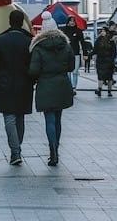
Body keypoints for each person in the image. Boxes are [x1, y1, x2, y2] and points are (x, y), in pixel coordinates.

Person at [0, 9, 34, 165]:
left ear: (10, 21)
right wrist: (32, 80)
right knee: (20, 116)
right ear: (22, 22)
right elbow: (33, 64)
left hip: (5, 83)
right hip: (24, 83)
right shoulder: (29, 41)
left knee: (9, 117)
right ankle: (17, 147)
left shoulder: (1, 40)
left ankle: (15, 151)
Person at [28, 13, 74, 166]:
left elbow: (33, 70)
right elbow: (71, 66)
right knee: (58, 118)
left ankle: (52, 148)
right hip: (62, 84)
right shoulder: (65, 45)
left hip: (45, 84)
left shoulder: (39, 47)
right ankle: (57, 147)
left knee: (49, 119)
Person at [93, 25, 117, 97]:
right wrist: (90, 54)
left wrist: (112, 59)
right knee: (101, 76)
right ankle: (100, 89)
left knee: (109, 77)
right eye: (101, 31)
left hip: (108, 61)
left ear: (107, 32)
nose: (102, 32)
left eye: (104, 31)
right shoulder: (98, 40)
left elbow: (114, 51)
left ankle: (109, 91)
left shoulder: (110, 40)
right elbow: (95, 50)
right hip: (101, 60)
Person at [62, 16, 85, 94]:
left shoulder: (78, 31)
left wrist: (85, 53)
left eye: (73, 21)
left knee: (75, 71)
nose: (72, 22)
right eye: (70, 21)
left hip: (76, 53)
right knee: (68, 71)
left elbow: (82, 42)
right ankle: (69, 86)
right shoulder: (63, 30)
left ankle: (74, 87)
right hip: (66, 53)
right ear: (68, 22)